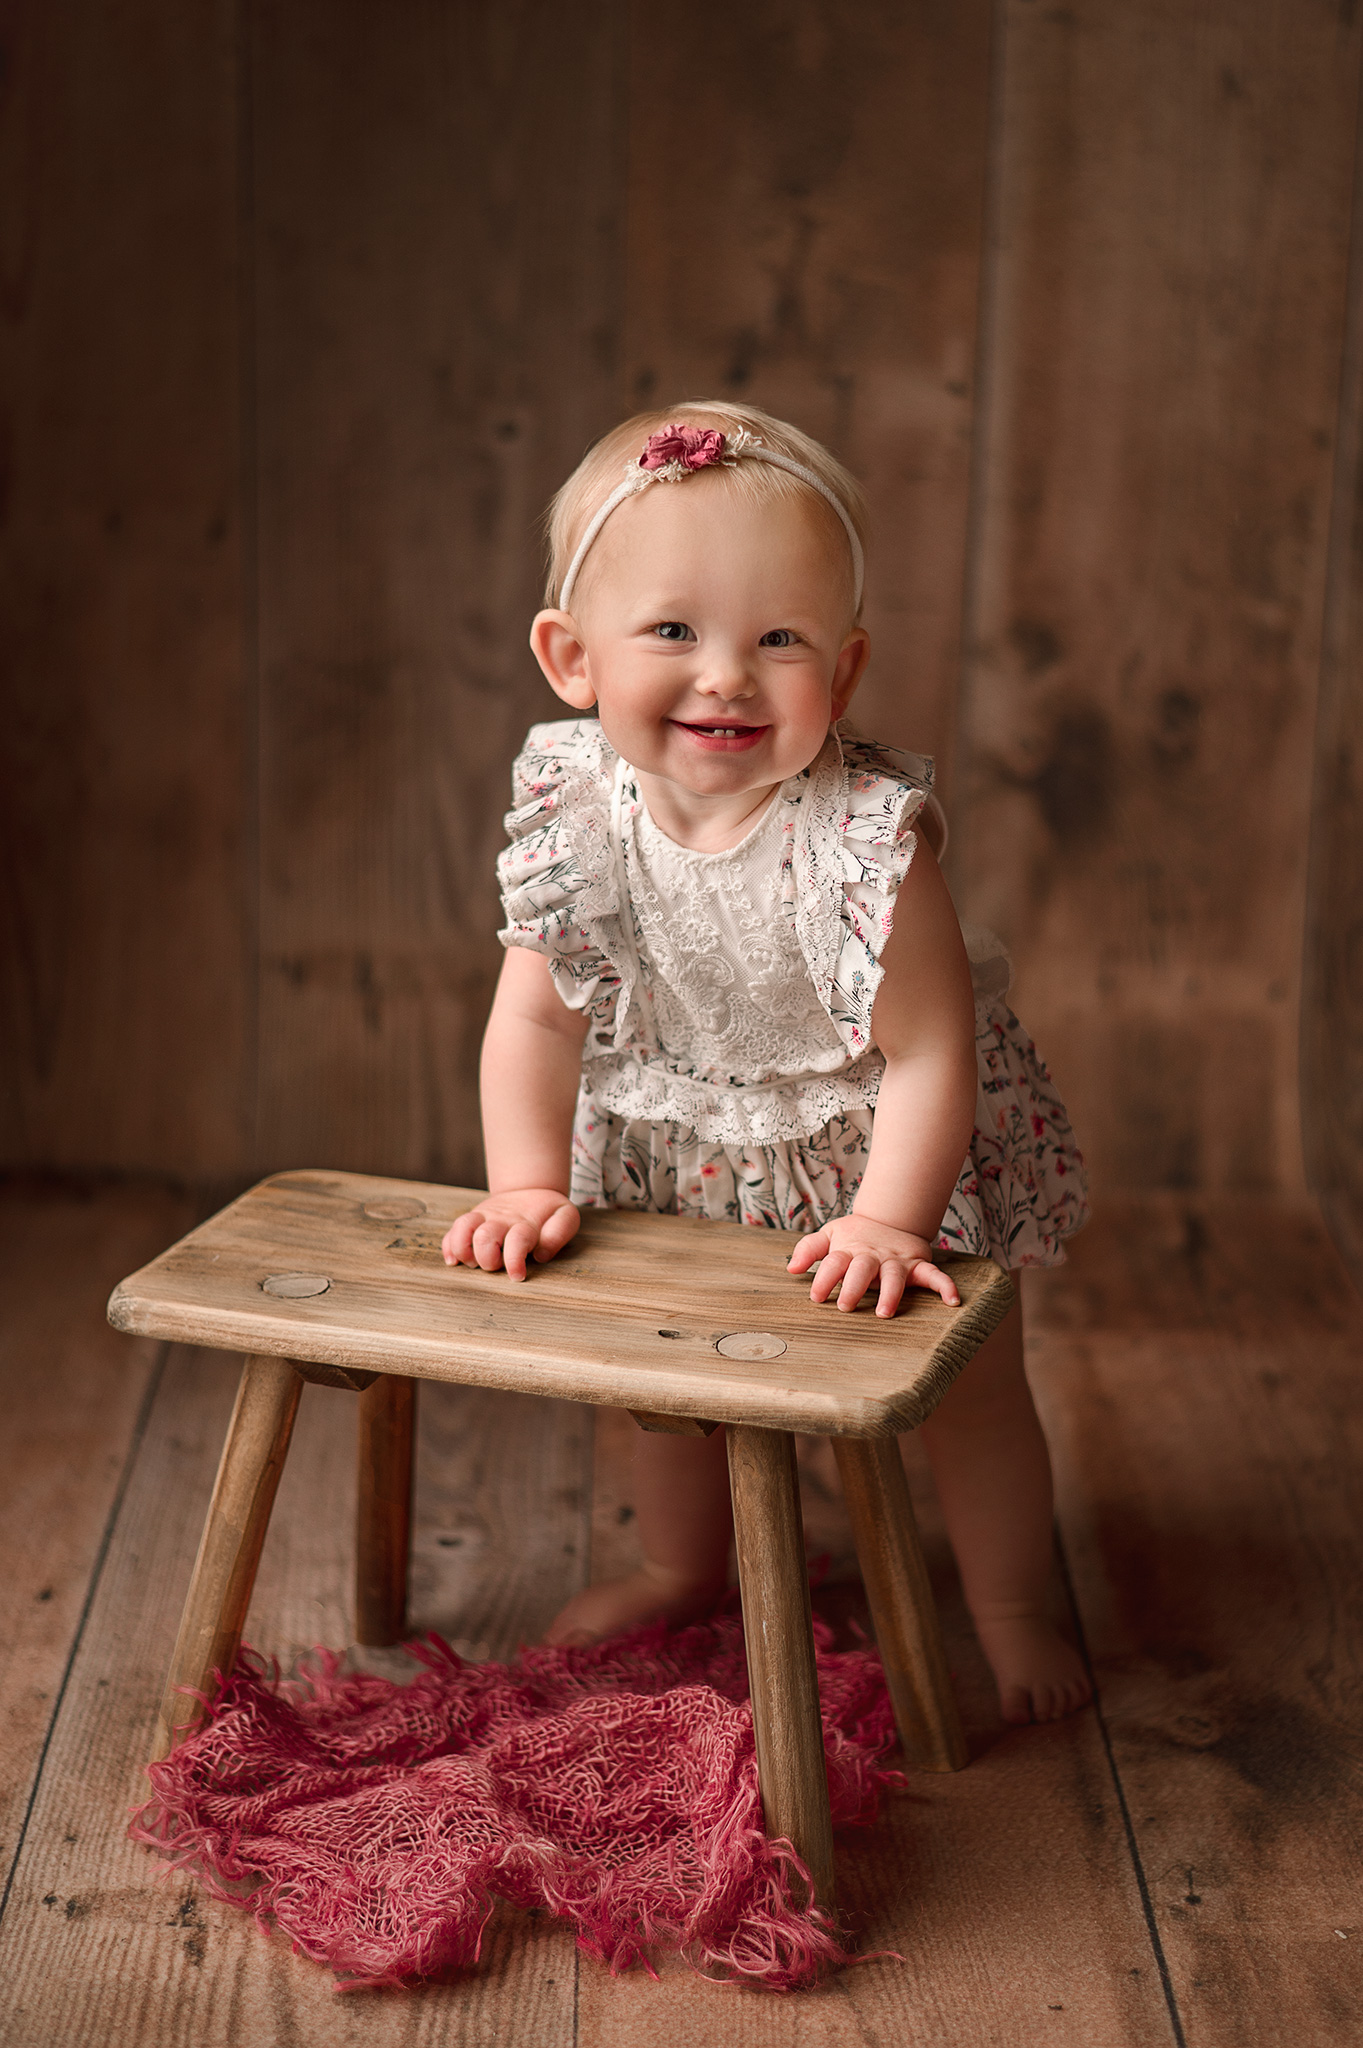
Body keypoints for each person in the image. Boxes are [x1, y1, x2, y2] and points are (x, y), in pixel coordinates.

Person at [443, 402, 1091, 1725]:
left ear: (841, 677)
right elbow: (537, 1023)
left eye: (779, 639)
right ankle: (678, 1570)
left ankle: (1015, 1607)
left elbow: (929, 1052)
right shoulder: (578, 813)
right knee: (675, 1389)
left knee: (971, 1395)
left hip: (884, 1148)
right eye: (673, 632)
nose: (728, 676)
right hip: (682, 1143)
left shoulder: (862, 840)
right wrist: (523, 1183)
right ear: (572, 659)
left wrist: (891, 1218)